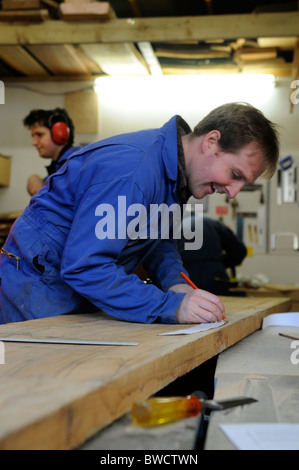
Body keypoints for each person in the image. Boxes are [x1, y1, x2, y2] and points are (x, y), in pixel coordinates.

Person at [0, 102, 279, 325]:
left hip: (68, 297)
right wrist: (170, 306)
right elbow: (86, 266)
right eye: (234, 175)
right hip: (32, 293)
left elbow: (156, 240)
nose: (232, 193)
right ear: (211, 142)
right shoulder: (133, 172)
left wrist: (175, 284)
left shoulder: (172, 177)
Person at [177, 215, 247, 295]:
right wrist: (221, 263)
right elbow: (240, 251)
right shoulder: (216, 224)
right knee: (220, 304)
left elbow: (170, 256)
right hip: (214, 276)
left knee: (190, 305)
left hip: (188, 276)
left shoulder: (179, 226)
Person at [23, 108, 81, 196]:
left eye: (39, 135)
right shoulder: (61, 167)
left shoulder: (77, 164)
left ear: (60, 133)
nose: (34, 142)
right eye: (33, 136)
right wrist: (34, 178)